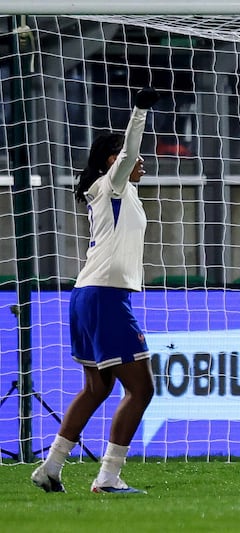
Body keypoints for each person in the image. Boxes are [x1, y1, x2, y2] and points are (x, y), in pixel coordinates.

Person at [31, 87, 160, 494]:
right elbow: (129, 150)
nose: (141, 160)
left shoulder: (117, 193)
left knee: (98, 387)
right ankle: (107, 476)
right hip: (104, 296)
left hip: (87, 293)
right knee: (141, 389)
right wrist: (138, 110)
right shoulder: (112, 186)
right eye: (130, 156)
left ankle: (50, 468)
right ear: (113, 160)